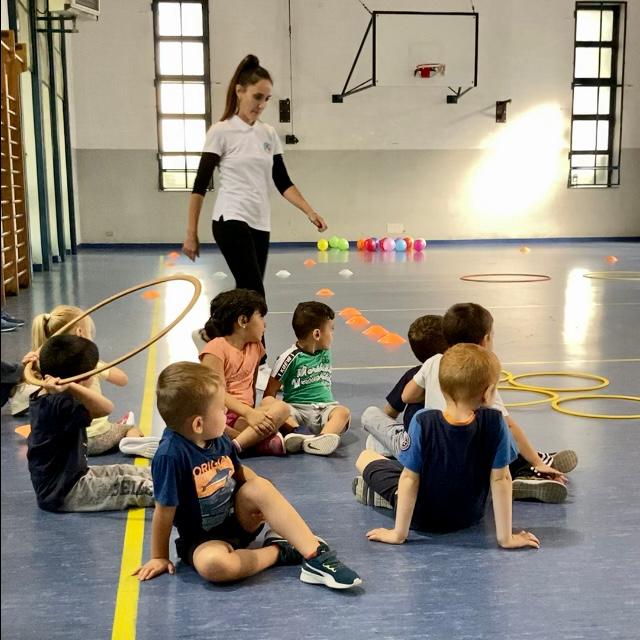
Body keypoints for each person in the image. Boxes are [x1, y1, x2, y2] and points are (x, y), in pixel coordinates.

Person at [133, 361, 362, 590]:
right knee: (214, 566)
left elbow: (240, 473)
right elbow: (164, 511)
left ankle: (315, 554)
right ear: (198, 424)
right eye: (221, 409)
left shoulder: (218, 437)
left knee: (259, 486)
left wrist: (267, 497)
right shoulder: (170, 456)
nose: (226, 412)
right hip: (203, 540)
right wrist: (159, 556)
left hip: (239, 519)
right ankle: (279, 551)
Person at [356, 343, 540, 551]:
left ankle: (385, 497)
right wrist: (506, 539)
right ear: (488, 393)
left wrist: (399, 534)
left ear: (442, 388)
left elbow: (409, 478)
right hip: (470, 515)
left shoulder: (423, 421)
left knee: (366, 457)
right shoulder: (496, 422)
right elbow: (501, 479)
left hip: (422, 517)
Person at [182, 53, 327, 301]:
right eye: (257, 96)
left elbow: (283, 182)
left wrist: (310, 211)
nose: (261, 104)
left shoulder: (268, 134)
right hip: (230, 219)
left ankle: (217, 325)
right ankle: (237, 325)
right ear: (240, 91)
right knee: (256, 296)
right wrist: (191, 233)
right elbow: (200, 185)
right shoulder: (221, 132)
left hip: (260, 222)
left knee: (246, 294)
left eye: (267, 99)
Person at [402, 302, 578, 503]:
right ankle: (529, 469)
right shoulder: (481, 375)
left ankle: (532, 465)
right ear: (485, 340)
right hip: (480, 468)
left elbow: (407, 397)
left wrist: (437, 392)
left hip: (439, 464)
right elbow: (510, 427)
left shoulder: (433, 362)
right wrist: (537, 462)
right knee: (499, 428)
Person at [26, 335, 154, 512]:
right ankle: (182, 492)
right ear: (81, 379)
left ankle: (175, 476)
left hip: (74, 475)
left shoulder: (46, 395)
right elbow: (107, 407)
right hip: (65, 492)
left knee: (124, 470)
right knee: (134, 485)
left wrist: (37, 366)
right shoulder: (62, 404)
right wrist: (71, 385)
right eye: (93, 372)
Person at [12, 305, 156, 458]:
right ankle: (132, 441)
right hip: (97, 438)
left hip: (65, 442)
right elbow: (123, 380)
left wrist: (32, 366)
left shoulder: (46, 367)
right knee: (129, 427)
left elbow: (33, 387)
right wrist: (99, 363)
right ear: (80, 332)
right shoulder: (90, 364)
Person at [198, 289, 291, 456]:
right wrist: (250, 414)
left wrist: (253, 414)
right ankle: (244, 443)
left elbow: (252, 386)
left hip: (243, 415)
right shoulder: (216, 348)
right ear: (243, 321)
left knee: (282, 408)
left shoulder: (256, 347)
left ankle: (239, 443)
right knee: (217, 425)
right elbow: (217, 393)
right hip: (220, 415)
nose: (265, 324)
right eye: (261, 317)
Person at [263, 301, 350, 456]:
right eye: (331, 329)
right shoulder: (288, 358)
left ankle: (320, 439)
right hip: (296, 411)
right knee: (277, 409)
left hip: (324, 409)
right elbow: (269, 394)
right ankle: (298, 432)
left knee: (343, 412)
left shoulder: (325, 351)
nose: (332, 334)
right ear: (317, 334)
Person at [361, 315, 448, 457]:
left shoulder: (413, 375)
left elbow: (390, 412)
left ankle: (385, 444)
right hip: (447, 442)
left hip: (412, 446)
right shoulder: (458, 374)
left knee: (370, 414)